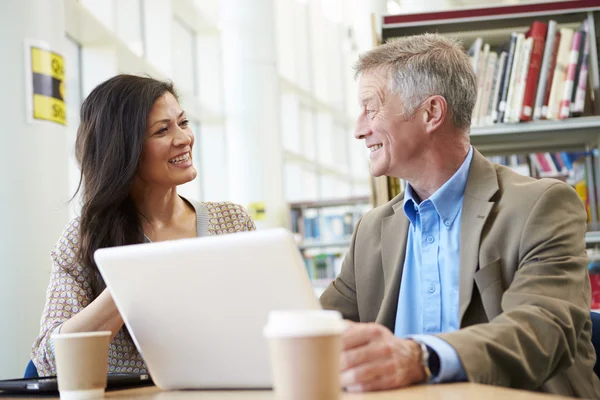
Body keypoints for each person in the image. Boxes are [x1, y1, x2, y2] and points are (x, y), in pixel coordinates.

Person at [320, 33, 600, 398]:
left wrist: (420, 358)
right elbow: (320, 326)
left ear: (431, 113)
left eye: (370, 108)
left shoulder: (541, 205)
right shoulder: (371, 230)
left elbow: (541, 330)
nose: (359, 129)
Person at [31, 75, 256, 376]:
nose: (184, 138)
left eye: (183, 122)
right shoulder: (84, 239)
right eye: (162, 130)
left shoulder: (233, 223)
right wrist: (131, 280)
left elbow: (266, 325)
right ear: (124, 149)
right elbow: (49, 361)